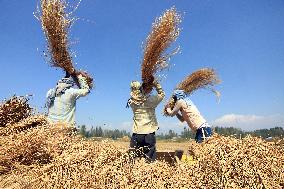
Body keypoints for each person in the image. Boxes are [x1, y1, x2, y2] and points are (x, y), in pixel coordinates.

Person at [127, 77, 165, 162]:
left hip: (136, 133)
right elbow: (162, 94)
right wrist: (156, 84)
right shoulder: (150, 100)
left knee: (133, 158)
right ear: (140, 88)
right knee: (149, 159)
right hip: (149, 133)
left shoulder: (131, 102)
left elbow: (136, 96)